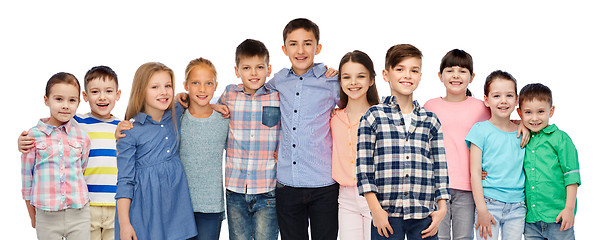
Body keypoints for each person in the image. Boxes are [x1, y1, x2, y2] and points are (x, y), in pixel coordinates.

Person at [357, 44, 449, 240]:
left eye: (414, 70)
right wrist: (376, 211)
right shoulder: (373, 117)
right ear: (386, 74)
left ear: (420, 76)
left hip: (424, 215)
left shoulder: (430, 120)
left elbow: (440, 167)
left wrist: (441, 210)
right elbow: (364, 170)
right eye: (400, 69)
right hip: (386, 216)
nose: (407, 75)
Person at [19, 66, 122, 240]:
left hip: (107, 204)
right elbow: (51, 127)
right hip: (85, 204)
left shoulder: (120, 125)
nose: (102, 97)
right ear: (85, 96)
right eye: (95, 91)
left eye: (109, 91)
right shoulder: (76, 121)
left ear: (118, 95)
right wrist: (22, 141)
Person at [264, 18, 340, 240]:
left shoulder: (331, 81)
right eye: (293, 43)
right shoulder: (279, 80)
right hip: (288, 183)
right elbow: (254, 93)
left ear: (318, 47)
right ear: (284, 48)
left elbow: (353, 106)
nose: (300, 50)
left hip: (324, 184)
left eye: (307, 43)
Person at [114, 62, 197, 240]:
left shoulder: (176, 111)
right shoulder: (129, 130)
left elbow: (201, 100)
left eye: (168, 86)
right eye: (155, 87)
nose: (164, 92)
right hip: (144, 212)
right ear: (141, 90)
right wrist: (124, 224)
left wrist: (215, 106)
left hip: (175, 207)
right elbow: (124, 182)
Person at [216, 39, 281, 240]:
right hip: (235, 189)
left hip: (267, 188)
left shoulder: (277, 97)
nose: (253, 73)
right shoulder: (229, 94)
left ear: (269, 69)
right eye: (247, 68)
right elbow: (207, 108)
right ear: (237, 71)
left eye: (259, 67)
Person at [423, 49, 490, 240]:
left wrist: (522, 126)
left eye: (462, 71)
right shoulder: (430, 106)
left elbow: (499, 130)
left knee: (464, 237)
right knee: (438, 237)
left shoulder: (481, 107)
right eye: (450, 70)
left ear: (472, 76)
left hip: (468, 187)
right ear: (440, 75)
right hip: (435, 187)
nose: (456, 75)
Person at [21, 72, 91, 240]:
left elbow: (81, 169)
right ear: (47, 100)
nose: (65, 105)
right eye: (59, 99)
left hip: (79, 213)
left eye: (72, 100)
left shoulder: (82, 137)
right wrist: (33, 215)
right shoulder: (31, 136)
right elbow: (27, 180)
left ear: (78, 102)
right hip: (46, 215)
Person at [466, 70, 525, 240]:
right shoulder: (480, 130)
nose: (503, 101)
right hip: (489, 203)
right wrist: (482, 210)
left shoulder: (523, 132)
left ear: (516, 99)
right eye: (497, 96)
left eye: (509, 95)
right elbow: (475, 173)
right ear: (486, 99)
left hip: (518, 205)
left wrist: (524, 125)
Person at [517, 83, 580, 240]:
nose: (534, 118)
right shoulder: (522, 137)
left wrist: (569, 209)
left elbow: (571, 176)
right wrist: (518, 124)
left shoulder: (561, 139)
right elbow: (500, 124)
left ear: (551, 111)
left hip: (558, 218)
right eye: (528, 112)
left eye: (540, 112)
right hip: (530, 221)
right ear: (520, 113)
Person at [331, 50, 379, 240]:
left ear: (371, 80)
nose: (353, 82)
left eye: (360, 76)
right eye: (346, 77)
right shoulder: (334, 117)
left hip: (375, 196)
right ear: (340, 82)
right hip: (345, 197)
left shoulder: (380, 117)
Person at [179, 57, 230, 240]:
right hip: (180, 205)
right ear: (186, 85)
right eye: (195, 83)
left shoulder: (223, 120)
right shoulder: (179, 120)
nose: (202, 89)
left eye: (208, 83)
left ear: (216, 86)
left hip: (211, 205)